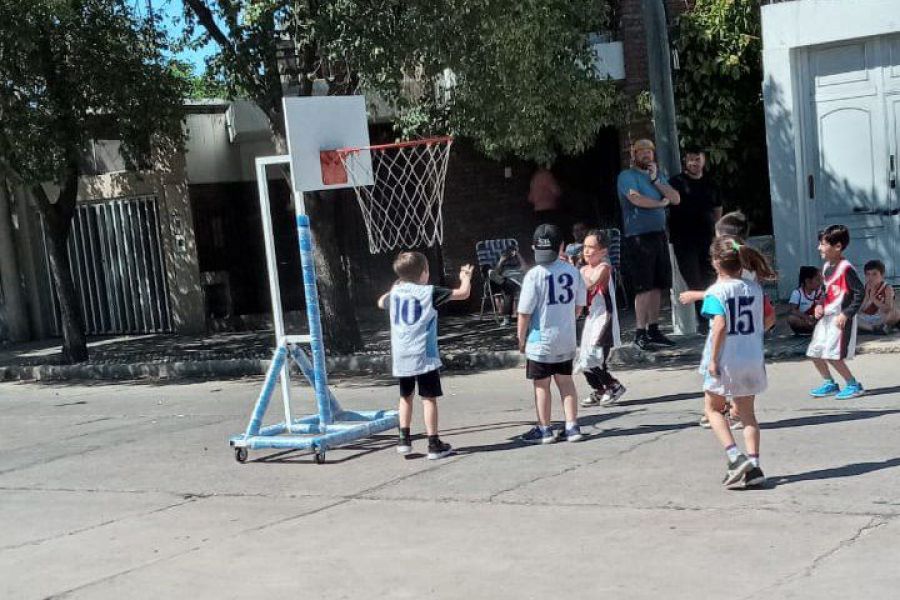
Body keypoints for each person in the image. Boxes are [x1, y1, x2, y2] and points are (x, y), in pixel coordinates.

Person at [377, 252, 474, 459]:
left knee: (405, 397)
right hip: (424, 355)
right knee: (428, 398)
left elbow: (380, 302)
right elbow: (463, 293)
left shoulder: (395, 294)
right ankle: (433, 443)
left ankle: (404, 439)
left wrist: (395, 287)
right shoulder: (428, 292)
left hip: (401, 355)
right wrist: (465, 276)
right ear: (423, 273)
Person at [699, 236, 777, 488]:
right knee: (748, 416)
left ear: (715, 263)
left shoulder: (715, 292)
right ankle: (754, 466)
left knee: (712, 409)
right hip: (752, 356)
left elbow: (719, 325)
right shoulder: (754, 289)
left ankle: (735, 457)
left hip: (726, 357)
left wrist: (713, 359)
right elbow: (769, 318)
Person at [517, 223, 587, 444]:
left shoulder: (533, 275)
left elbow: (524, 313)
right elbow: (579, 307)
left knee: (541, 385)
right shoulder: (573, 272)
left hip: (540, 341)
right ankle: (572, 426)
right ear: (562, 247)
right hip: (565, 339)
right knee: (566, 382)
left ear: (534, 248)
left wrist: (520, 339)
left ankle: (544, 428)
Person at [616, 139, 681, 350]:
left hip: (658, 235)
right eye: (641, 151)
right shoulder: (627, 176)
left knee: (657, 285)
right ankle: (640, 332)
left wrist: (656, 181)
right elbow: (636, 199)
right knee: (643, 286)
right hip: (638, 237)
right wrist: (660, 204)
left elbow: (676, 198)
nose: (646, 155)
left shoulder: (656, 175)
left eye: (649, 151)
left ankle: (654, 329)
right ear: (634, 155)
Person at [807, 225, 866, 400]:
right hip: (826, 317)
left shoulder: (846, 269)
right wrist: (819, 304)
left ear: (838, 246)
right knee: (814, 352)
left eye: (823, 244)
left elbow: (859, 293)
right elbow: (826, 292)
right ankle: (829, 383)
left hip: (839, 318)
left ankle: (853, 385)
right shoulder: (826, 267)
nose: (819, 248)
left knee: (832, 355)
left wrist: (846, 313)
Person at [669, 148, 723, 332]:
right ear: (685, 161)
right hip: (684, 240)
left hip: (707, 239)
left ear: (704, 160)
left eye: (697, 159)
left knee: (711, 278)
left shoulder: (712, 183)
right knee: (694, 280)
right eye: (690, 159)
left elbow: (718, 210)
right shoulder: (676, 182)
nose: (694, 163)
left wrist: (718, 235)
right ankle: (703, 322)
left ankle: (714, 318)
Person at [576, 230, 626, 407]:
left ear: (603, 251)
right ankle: (599, 389)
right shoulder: (582, 269)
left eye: (592, 248)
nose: (587, 251)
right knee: (583, 359)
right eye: (585, 247)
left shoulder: (604, 267)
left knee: (594, 356)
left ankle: (614, 386)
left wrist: (571, 272)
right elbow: (579, 297)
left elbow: (590, 284)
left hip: (604, 318)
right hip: (591, 317)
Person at [858, 259, 900, 334]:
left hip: (882, 317)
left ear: (882, 275)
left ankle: (872, 328)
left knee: (895, 312)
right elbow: (863, 306)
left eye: (874, 274)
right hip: (870, 318)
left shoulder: (887, 288)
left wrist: (873, 298)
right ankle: (874, 329)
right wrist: (859, 309)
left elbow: (887, 308)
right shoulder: (867, 286)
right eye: (868, 274)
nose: (871, 277)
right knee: (853, 317)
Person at [490, 246, 527, 325]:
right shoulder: (503, 263)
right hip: (507, 280)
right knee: (508, 288)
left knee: (511, 288)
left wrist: (518, 255)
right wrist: (501, 260)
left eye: (512, 252)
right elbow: (496, 273)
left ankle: (508, 318)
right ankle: (507, 317)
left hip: (520, 280)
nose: (510, 255)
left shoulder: (518, 260)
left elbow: (525, 268)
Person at [787, 266, 823, 335]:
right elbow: (792, 310)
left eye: (821, 280)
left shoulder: (819, 292)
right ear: (808, 281)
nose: (820, 283)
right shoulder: (797, 293)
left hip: (815, 320)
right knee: (791, 319)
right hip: (805, 322)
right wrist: (806, 318)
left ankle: (817, 328)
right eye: (818, 280)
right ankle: (812, 330)